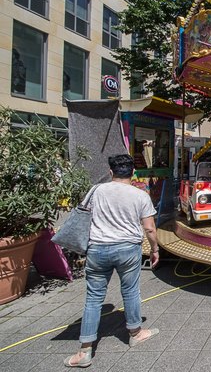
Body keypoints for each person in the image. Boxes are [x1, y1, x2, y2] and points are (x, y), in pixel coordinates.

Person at [64, 154, 160, 368]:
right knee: (131, 291)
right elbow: (150, 228)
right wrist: (155, 249)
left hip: (97, 249)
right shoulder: (140, 195)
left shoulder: (96, 190)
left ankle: (85, 350)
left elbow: (83, 215)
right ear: (133, 172)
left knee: (93, 298)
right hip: (128, 249)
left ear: (110, 172)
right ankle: (135, 333)